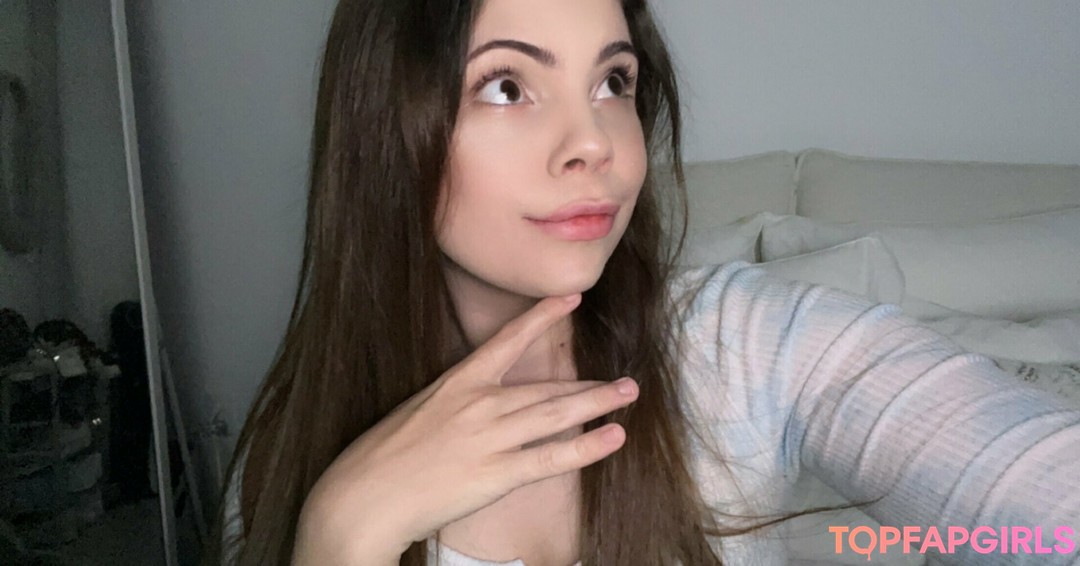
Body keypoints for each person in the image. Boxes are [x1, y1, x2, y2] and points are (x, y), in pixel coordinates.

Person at [204, 0, 1080, 565]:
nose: (595, 142)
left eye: (612, 81)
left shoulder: (742, 345)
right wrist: (343, 533)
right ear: (383, 131)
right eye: (506, 86)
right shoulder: (288, 453)